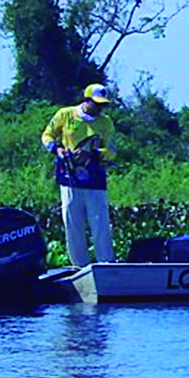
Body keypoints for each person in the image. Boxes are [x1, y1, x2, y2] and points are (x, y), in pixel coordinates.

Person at [40, 83, 118, 267]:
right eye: (97, 104)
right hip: (69, 179)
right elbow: (47, 135)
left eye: (103, 104)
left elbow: (112, 151)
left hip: (95, 180)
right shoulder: (65, 114)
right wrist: (56, 149)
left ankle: (106, 264)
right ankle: (79, 267)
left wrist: (94, 153)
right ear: (86, 100)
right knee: (72, 224)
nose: (100, 108)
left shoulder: (105, 122)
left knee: (100, 223)